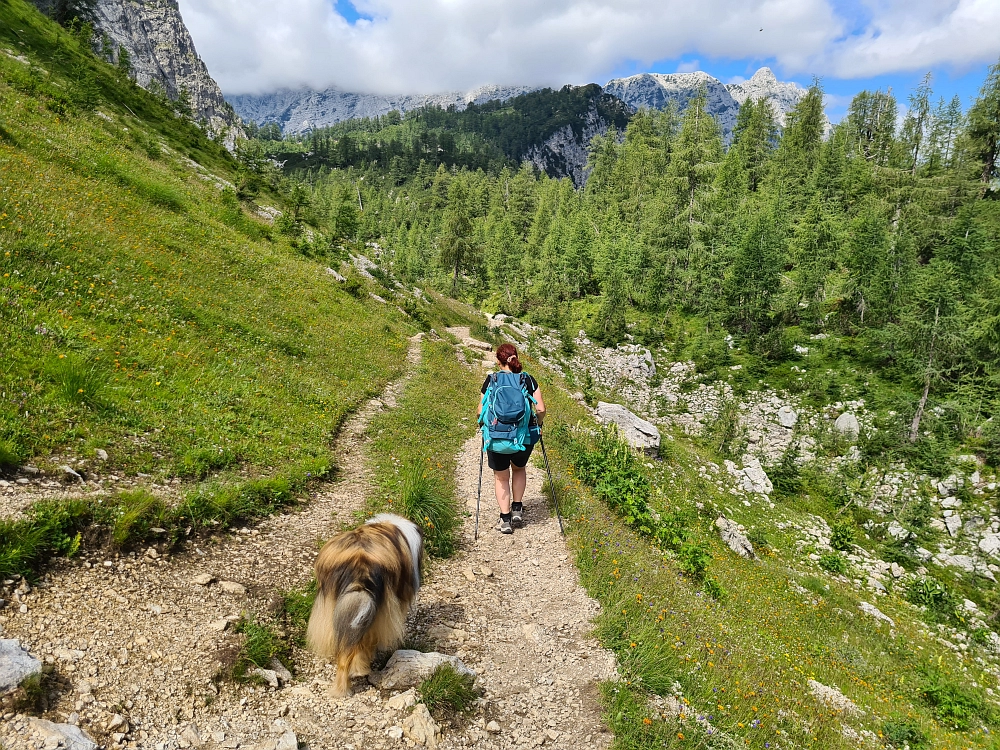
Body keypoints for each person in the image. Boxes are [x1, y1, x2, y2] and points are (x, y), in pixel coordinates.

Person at [477, 343, 545, 534]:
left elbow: (480, 410)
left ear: (499, 361)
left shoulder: (492, 379)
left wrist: (483, 426)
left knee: (501, 478)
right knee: (519, 469)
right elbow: (540, 409)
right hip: (522, 438)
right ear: (515, 358)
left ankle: (505, 519)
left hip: (497, 437)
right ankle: (517, 508)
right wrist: (538, 425)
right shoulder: (528, 379)